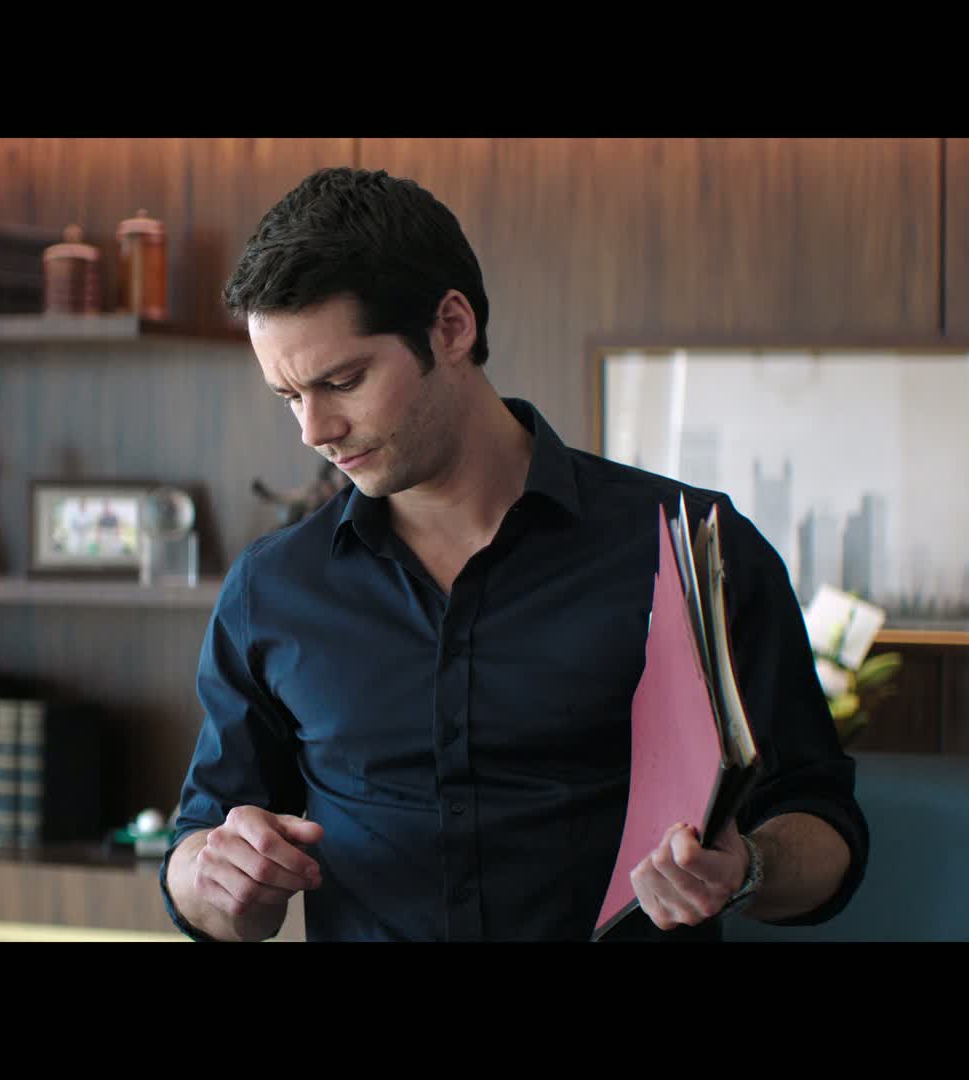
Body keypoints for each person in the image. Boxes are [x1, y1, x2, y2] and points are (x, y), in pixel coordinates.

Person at [161, 167, 869, 942]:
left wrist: (749, 868)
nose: (314, 430)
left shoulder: (695, 545)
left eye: (343, 381)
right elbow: (199, 853)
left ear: (451, 327)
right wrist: (216, 876)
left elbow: (826, 830)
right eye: (290, 396)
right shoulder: (273, 589)